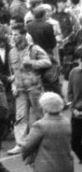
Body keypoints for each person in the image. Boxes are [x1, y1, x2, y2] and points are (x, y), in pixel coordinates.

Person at [7, 22, 52, 155]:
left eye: (16, 35)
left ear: (23, 35)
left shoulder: (34, 49)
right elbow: (12, 71)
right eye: (12, 35)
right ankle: (20, 144)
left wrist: (32, 63)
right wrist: (13, 85)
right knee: (20, 117)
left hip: (34, 87)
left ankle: (44, 140)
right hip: (20, 89)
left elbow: (47, 62)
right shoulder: (12, 52)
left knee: (39, 115)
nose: (13, 37)